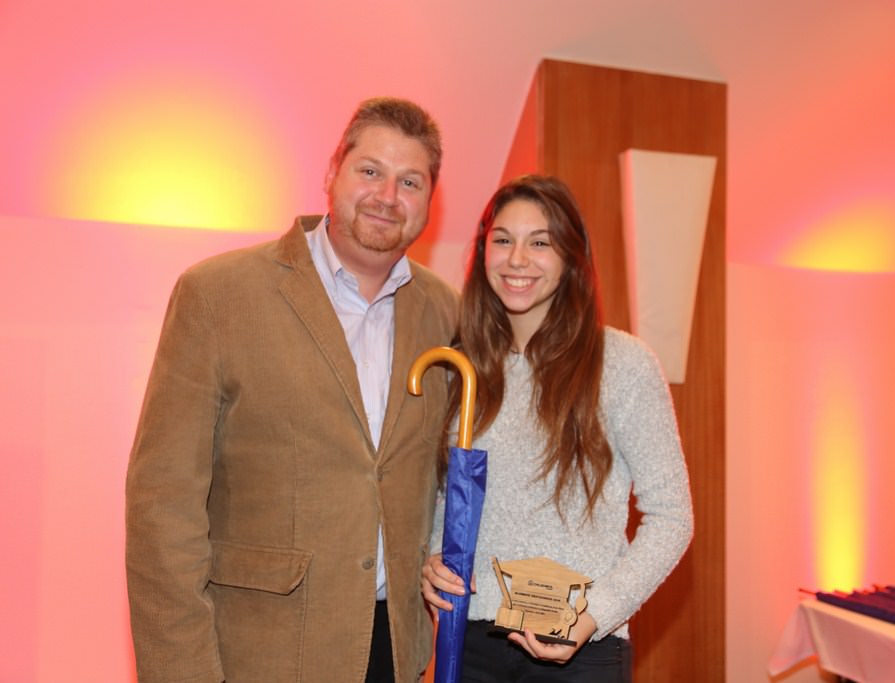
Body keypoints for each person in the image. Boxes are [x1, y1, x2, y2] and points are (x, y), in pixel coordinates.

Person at [125, 97, 459, 683]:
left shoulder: (445, 311)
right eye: (370, 171)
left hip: (397, 652)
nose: (387, 196)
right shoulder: (218, 294)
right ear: (332, 172)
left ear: (430, 201)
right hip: (258, 653)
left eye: (410, 181)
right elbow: (163, 504)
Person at [421, 175, 694, 682]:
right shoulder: (464, 366)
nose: (517, 259)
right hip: (473, 643)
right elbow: (448, 494)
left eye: (540, 243)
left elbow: (673, 517)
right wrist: (436, 553)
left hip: (581, 650)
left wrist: (593, 616)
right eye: (503, 239)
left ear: (571, 258)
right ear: (483, 251)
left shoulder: (623, 364)